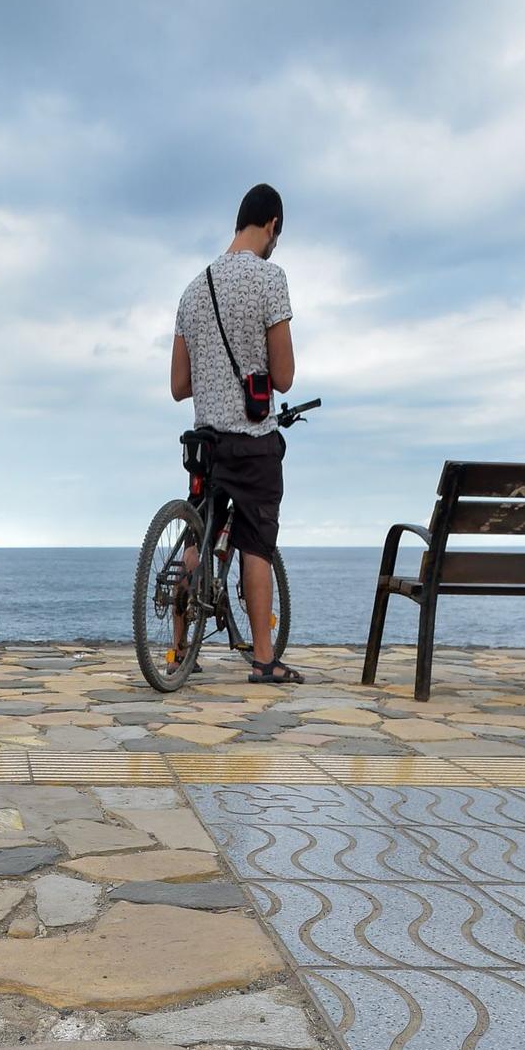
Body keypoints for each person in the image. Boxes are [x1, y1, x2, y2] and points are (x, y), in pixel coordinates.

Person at [170, 182, 303, 685]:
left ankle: (179, 646)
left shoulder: (193, 289)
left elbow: (179, 385)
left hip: (205, 443)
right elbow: (285, 375)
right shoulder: (270, 279)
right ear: (272, 226)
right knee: (256, 541)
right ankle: (265, 659)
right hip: (253, 442)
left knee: (196, 533)